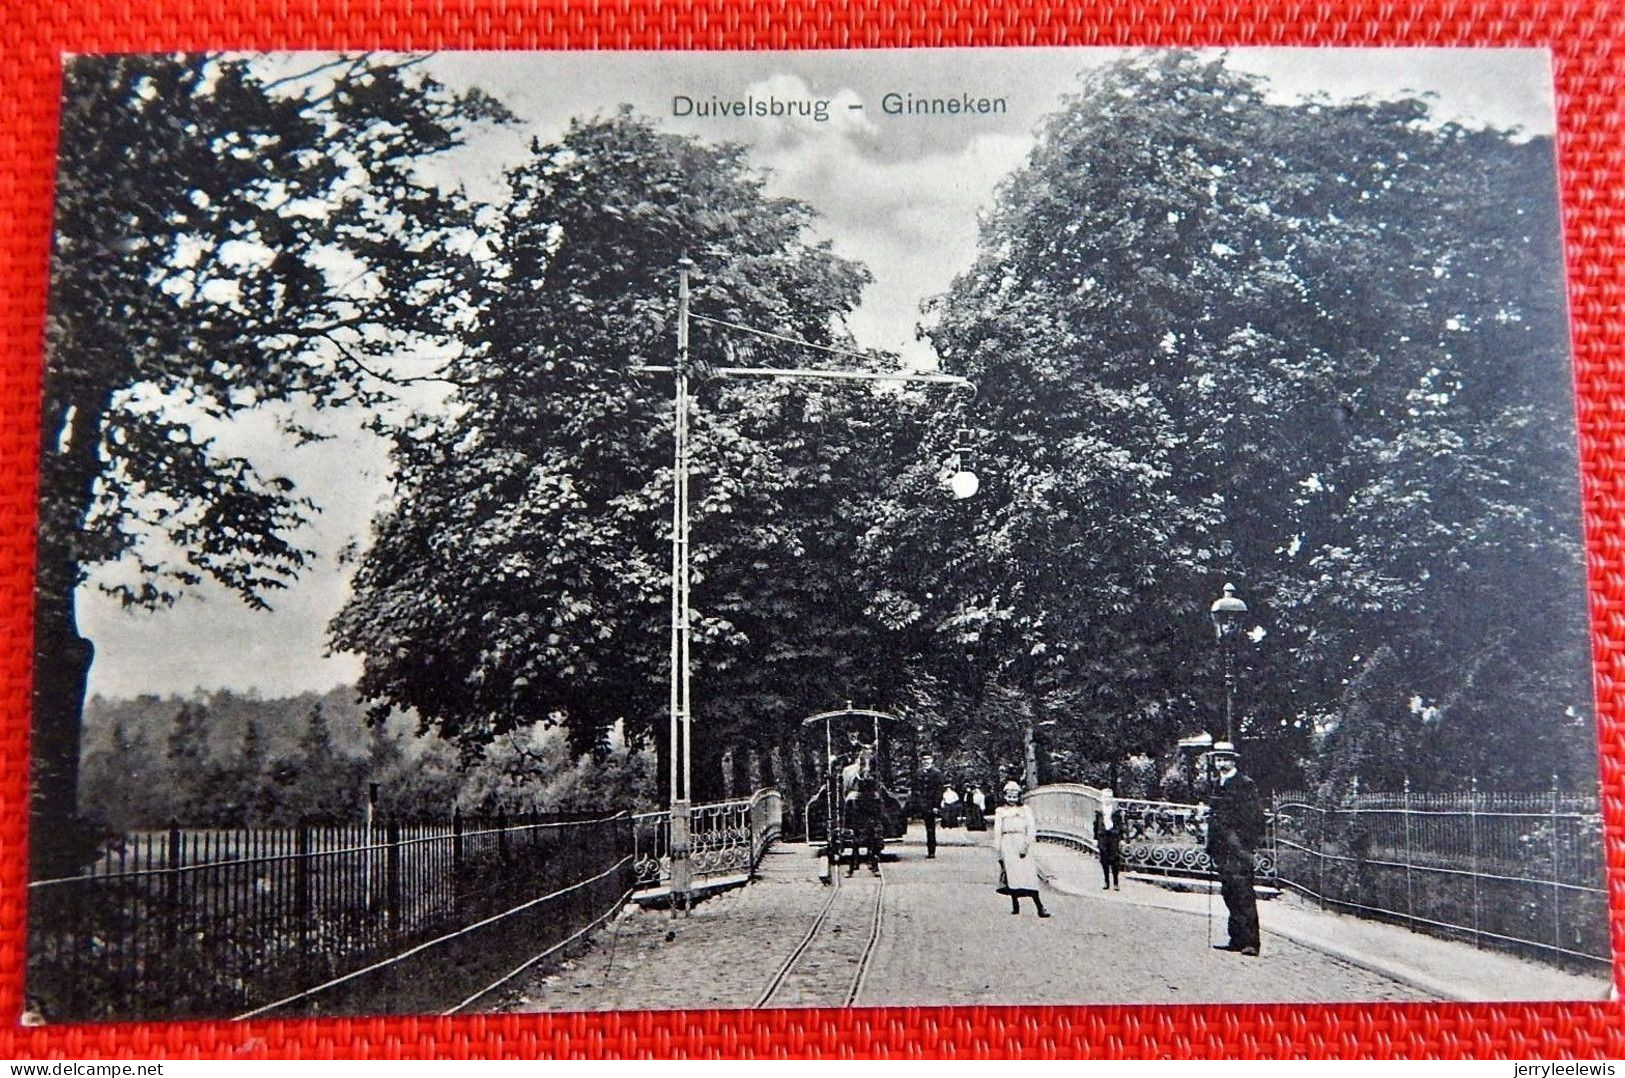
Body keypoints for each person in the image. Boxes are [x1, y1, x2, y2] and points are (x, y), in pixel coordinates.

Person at [1204, 743, 1264, 956]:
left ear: (1233, 760)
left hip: (1239, 849)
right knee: (1229, 893)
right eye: (1218, 759)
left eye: (1225, 759)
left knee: (1244, 894)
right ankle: (1236, 939)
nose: (1221, 763)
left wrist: (1244, 843)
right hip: (1222, 849)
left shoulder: (1245, 784)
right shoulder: (1215, 784)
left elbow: (1255, 817)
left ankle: (1251, 942)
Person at [993, 781, 1050, 917]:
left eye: (1014, 797)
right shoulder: (1000, 811)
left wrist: (1026, 845)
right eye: (1009, 797)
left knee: (1028, 875)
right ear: (1005, 797)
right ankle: (1015, 904)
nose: (1012, 800)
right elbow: (997, 831)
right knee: (1012, 875)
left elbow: (1031, 828)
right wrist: (999, 850)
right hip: (1007, 843)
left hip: (1022, 842)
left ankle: (1039, 906)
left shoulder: (1025, 810)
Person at [1093, 786, 1125, 890]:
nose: (1108, 799)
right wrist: (1095, 838)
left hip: (1113, 836)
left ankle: (1116, 881)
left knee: (1115, 859)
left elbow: (1120, 824)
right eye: (1106, 797)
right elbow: (1095, 824)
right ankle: (1106, 881)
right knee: (1104, 860)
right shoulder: (1099, 810)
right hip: (1102, 836)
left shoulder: (1116, 810)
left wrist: (1122, 838)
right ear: (1102, 798)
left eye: (1110, 797)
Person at [914, 753, 945, 858]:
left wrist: (936, 806)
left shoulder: (937, 773)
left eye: (928, 759)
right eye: (924, 759)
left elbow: (939, 791)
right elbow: (915, 789)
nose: (925, 761)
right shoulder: (918, 773)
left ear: (932, 760)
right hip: (920, 804)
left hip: (931, 805)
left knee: (930, 828)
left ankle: (931, 850)